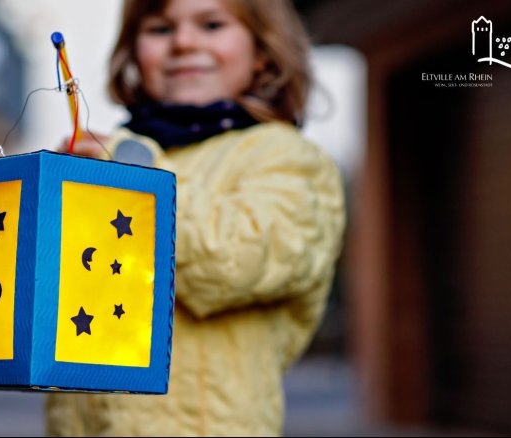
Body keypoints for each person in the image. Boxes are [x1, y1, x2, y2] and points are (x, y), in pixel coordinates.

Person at [48, 0, 346, 435]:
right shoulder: (117, 157)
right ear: (133, 52)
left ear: (263, 51)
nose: (184, 42)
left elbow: (236, 262)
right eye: (160, 29)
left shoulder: (287, 159)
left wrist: (136, 177)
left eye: (211, 24)